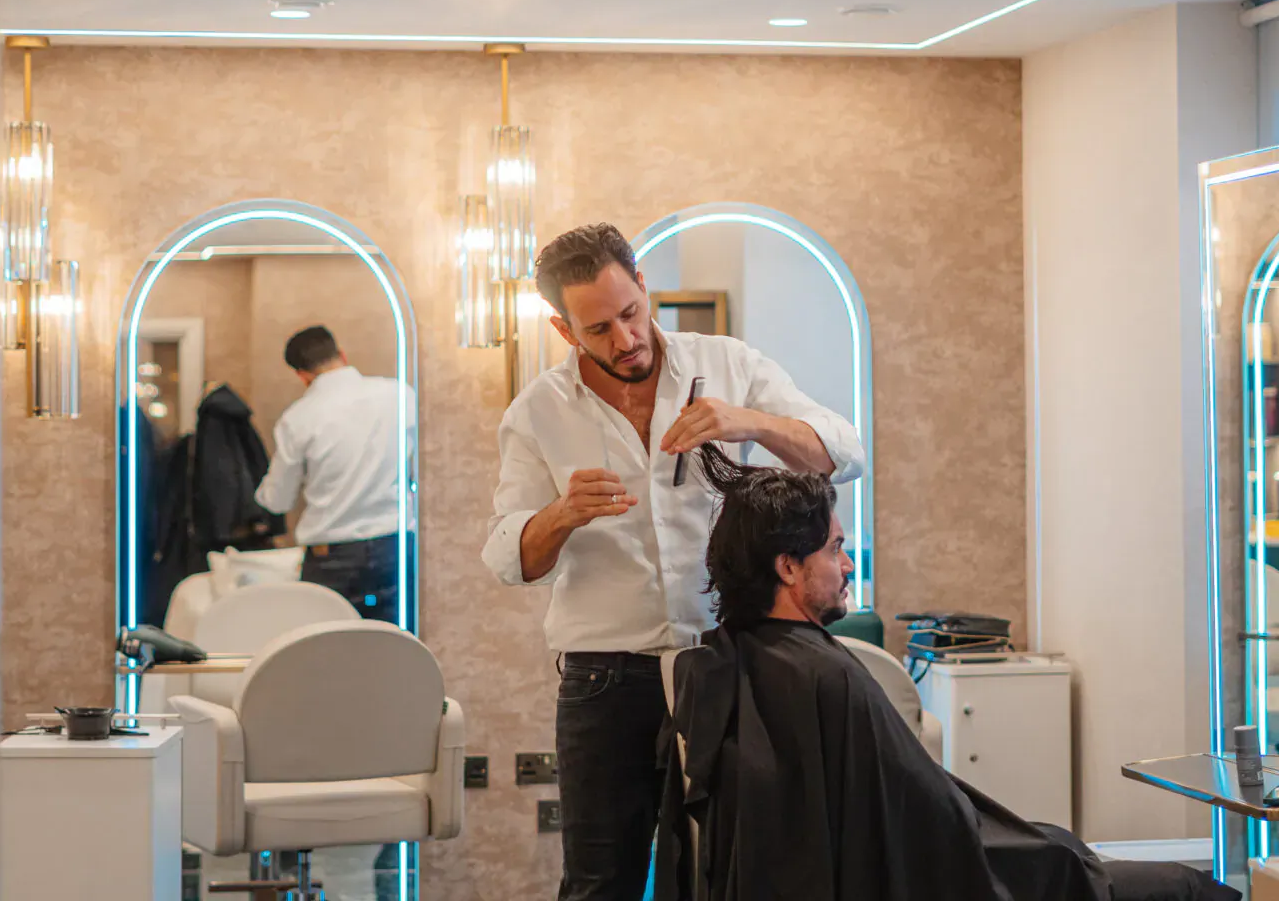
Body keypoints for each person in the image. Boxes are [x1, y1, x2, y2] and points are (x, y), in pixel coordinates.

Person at [655, 445, 1237, 901]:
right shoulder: (830, 677)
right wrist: (1054, 852)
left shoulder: (724, 659)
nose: (848, 564)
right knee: (1184, 887)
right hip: (961, 880)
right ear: (787, 566)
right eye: (834, 550)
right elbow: (942, 831)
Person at [483, 223, 866, 901]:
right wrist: (560, 515)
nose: (625, 339)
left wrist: (751, 424)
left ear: (644, 290)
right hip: (604, 682)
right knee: (602, 881)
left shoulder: (727, 366)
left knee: (730, 872)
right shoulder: (536, 412)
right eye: (598, 329)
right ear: (564, 330)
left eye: (631, 313)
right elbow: (510, 559)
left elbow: (846, 452)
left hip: (726, 662)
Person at [255, 325, 416, 627]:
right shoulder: (399, 394)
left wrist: (261, 493)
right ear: (341, 354)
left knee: (327, 656)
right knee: (397, 650)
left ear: (301, 375)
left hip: (332, 559)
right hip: (394, 547)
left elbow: (277, 501)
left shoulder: (298, 418)